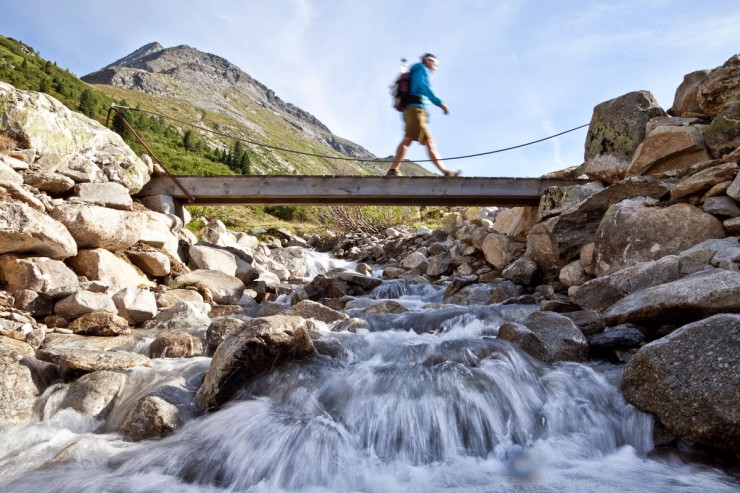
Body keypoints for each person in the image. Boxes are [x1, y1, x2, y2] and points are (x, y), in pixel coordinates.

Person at [387, 53, 459, 177]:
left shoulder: (416, 70)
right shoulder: (421, 69)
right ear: (428, 61)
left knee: (419, 141)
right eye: (435, 63)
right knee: (417, 141)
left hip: (413, 110)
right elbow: (424, 87)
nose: (435, 67)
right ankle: (393, 170)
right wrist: (439, 103)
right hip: (416, 109)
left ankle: (445, 172)